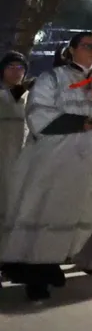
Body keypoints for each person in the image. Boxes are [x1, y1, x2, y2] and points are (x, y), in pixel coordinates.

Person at [0, 31, 92, 300]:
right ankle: (36, 271)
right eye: (87, 46)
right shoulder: (53, 78)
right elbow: (38, 114)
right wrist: (83, 123)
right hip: (56, 158)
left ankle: (53, 262)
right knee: (49, 211)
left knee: (79, 209)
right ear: (71, 50)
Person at [0, 52, 28, 235]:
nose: (16, 72)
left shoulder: (31, 96)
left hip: (24, 153)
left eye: (20, 68)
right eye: (11, 67)